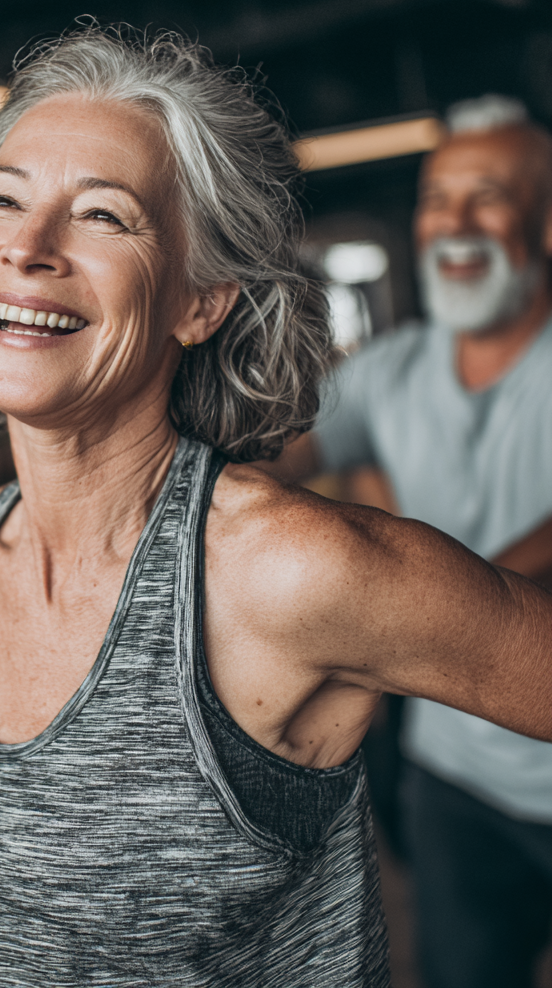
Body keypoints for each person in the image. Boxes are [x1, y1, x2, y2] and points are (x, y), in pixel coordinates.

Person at [0, 28, 552, 988]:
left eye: (104, 216)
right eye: (3, 199)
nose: (29, 248)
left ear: (200, 301)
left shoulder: (283, 570)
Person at [267, 94, 552, 988]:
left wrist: (410, 591)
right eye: (437, 199)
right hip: (454, 774)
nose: (454, 224)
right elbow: (270, 455)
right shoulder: (390, 372)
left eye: (488, 197)